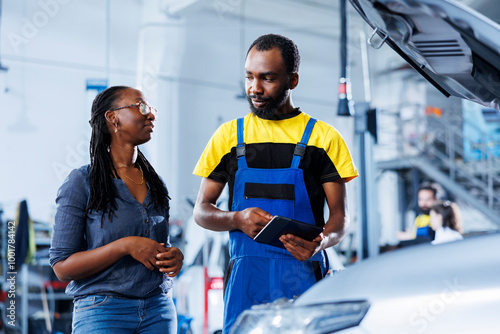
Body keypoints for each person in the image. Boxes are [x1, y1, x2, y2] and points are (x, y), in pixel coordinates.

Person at [192, 34, 358, 333]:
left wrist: (321, 242)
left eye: (267, 78)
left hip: (303, 274)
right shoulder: (228, 137)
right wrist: (236, 219)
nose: (255, 88)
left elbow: (340, 217)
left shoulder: (324, 139)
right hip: (245, 280)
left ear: (292, 80)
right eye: (249, 77)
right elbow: (201, 211)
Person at [49, 86, 183, 333]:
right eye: (141, 107)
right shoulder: (82, 182)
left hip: (159, 310)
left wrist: (174, 257)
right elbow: (62, 266)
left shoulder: (155, 183)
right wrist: (125, 246)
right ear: (113, 118)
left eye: (152, 109)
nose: (151, 115)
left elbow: (157, 248)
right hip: (103, 311)